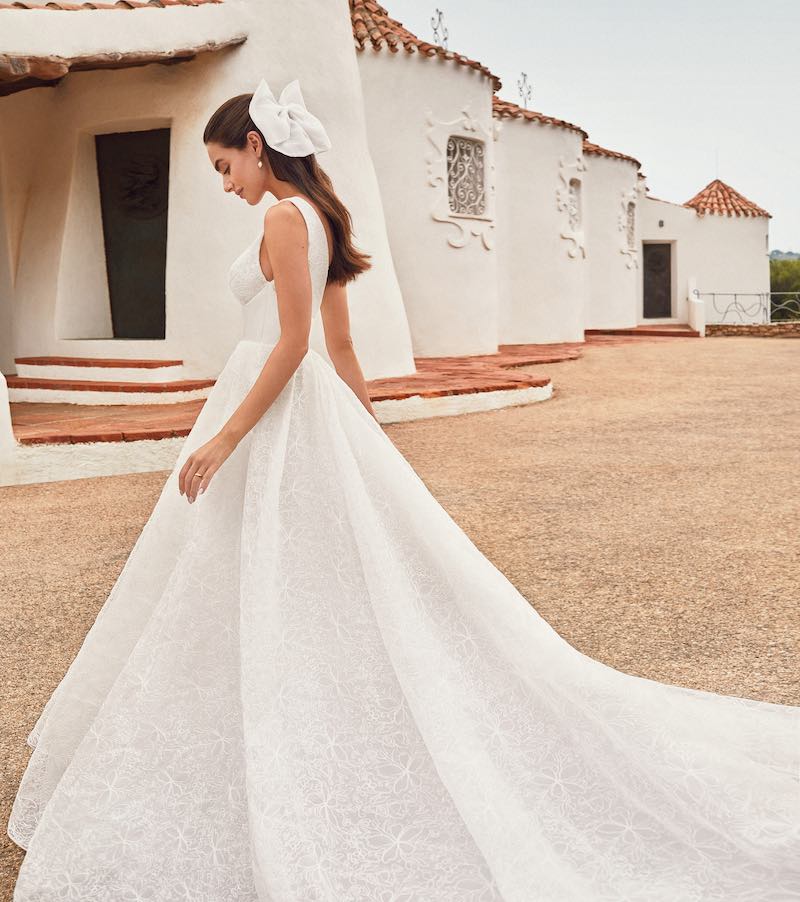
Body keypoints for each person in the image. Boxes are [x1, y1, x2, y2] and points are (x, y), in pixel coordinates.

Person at [7, 76, 800, 902]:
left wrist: (227, 436)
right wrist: (364, 437)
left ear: (257, 147)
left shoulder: (284, 217)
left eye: (222, 164)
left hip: (269, 407)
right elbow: (343, 347)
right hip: (307, 411)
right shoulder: (324, 218)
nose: (223, 182)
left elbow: (293, 345)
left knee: (249, 571)